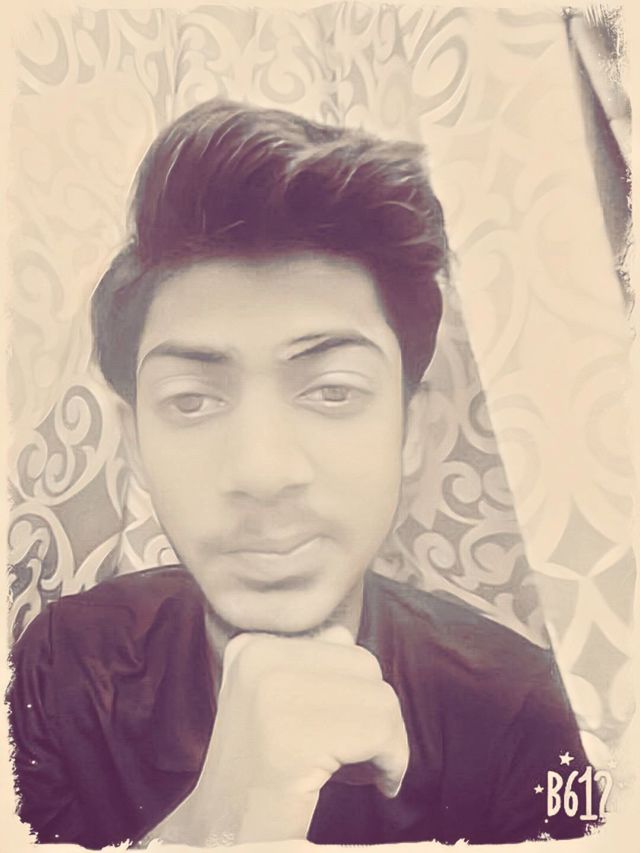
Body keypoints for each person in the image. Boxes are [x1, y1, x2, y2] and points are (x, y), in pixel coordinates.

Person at [8, 98, 601, 848]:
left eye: (332, 392)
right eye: (191, 400)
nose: (263, 471)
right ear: (133, 443)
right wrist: (206, 834)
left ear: (413, 433)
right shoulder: (65, 667)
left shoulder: (524, 713)